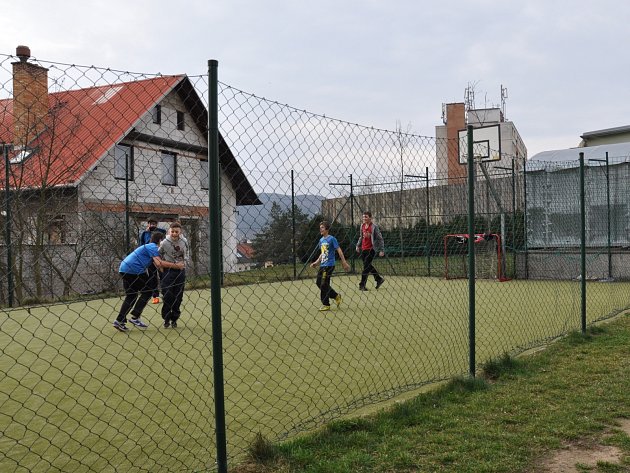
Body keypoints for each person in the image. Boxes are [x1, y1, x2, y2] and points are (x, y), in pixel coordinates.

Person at [113, 232, 184, 332]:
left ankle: (119, 321)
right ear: (160, 240)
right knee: (148, 291)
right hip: (134, 270)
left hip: (124, 269)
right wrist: (177, 266)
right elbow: (159, 263)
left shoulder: (149, 248)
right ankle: (135, 316)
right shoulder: (153, 247)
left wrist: (166, 277)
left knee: (131, 296)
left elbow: (157, 265)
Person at [310, 221, 350, 311]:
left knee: (324, 284)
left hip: (329, 265)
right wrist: (316, 262)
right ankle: (336, 296)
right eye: (320, 227)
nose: (321, 229)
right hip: (323, 265)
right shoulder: (321, 240)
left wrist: (344, 262)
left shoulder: (332, 239)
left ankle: (326, 304)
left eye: (322, 227)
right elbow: (322, 253)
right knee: (319, 283)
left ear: (327, 229)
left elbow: (339, 250)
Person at [159, 221, 189, 328]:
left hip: (180, 271)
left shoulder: (184, 241)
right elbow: (158, 255)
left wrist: (184, 263)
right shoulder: (164, 243)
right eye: (173, 231)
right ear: (169, 231)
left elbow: (187, 254)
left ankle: (174, 318)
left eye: (177, 232)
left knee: (178, 296)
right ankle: (166, 318)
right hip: (168, 271)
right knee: (167, 295)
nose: (174, 234)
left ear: (180, 232)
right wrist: (161, 267)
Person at [138, 217, 166, 304]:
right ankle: (155, 296)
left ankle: (165, 294)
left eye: (154, 224)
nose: (152, 225)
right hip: (150, 259)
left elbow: (165, 233)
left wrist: (155, 229)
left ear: (156, 224)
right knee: (152, 277)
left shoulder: (160, 231)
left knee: (163, 275)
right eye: (151, 224)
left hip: (160, 257)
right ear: (148, 224)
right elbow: (142, 245)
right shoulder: (144, 234)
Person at [355, 211, 385, 291]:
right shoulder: (362, 226)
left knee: (366, 267)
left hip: (371, 249)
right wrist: (358, 245)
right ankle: (378, 279)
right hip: (364, 249)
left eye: (366, 217)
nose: (364, 218)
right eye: (363, 217)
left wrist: (381, 250)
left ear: (370, 218)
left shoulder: (374, 227)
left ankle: (362, 285)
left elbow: (380, 238)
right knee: (368, 266)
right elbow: (361, 237)